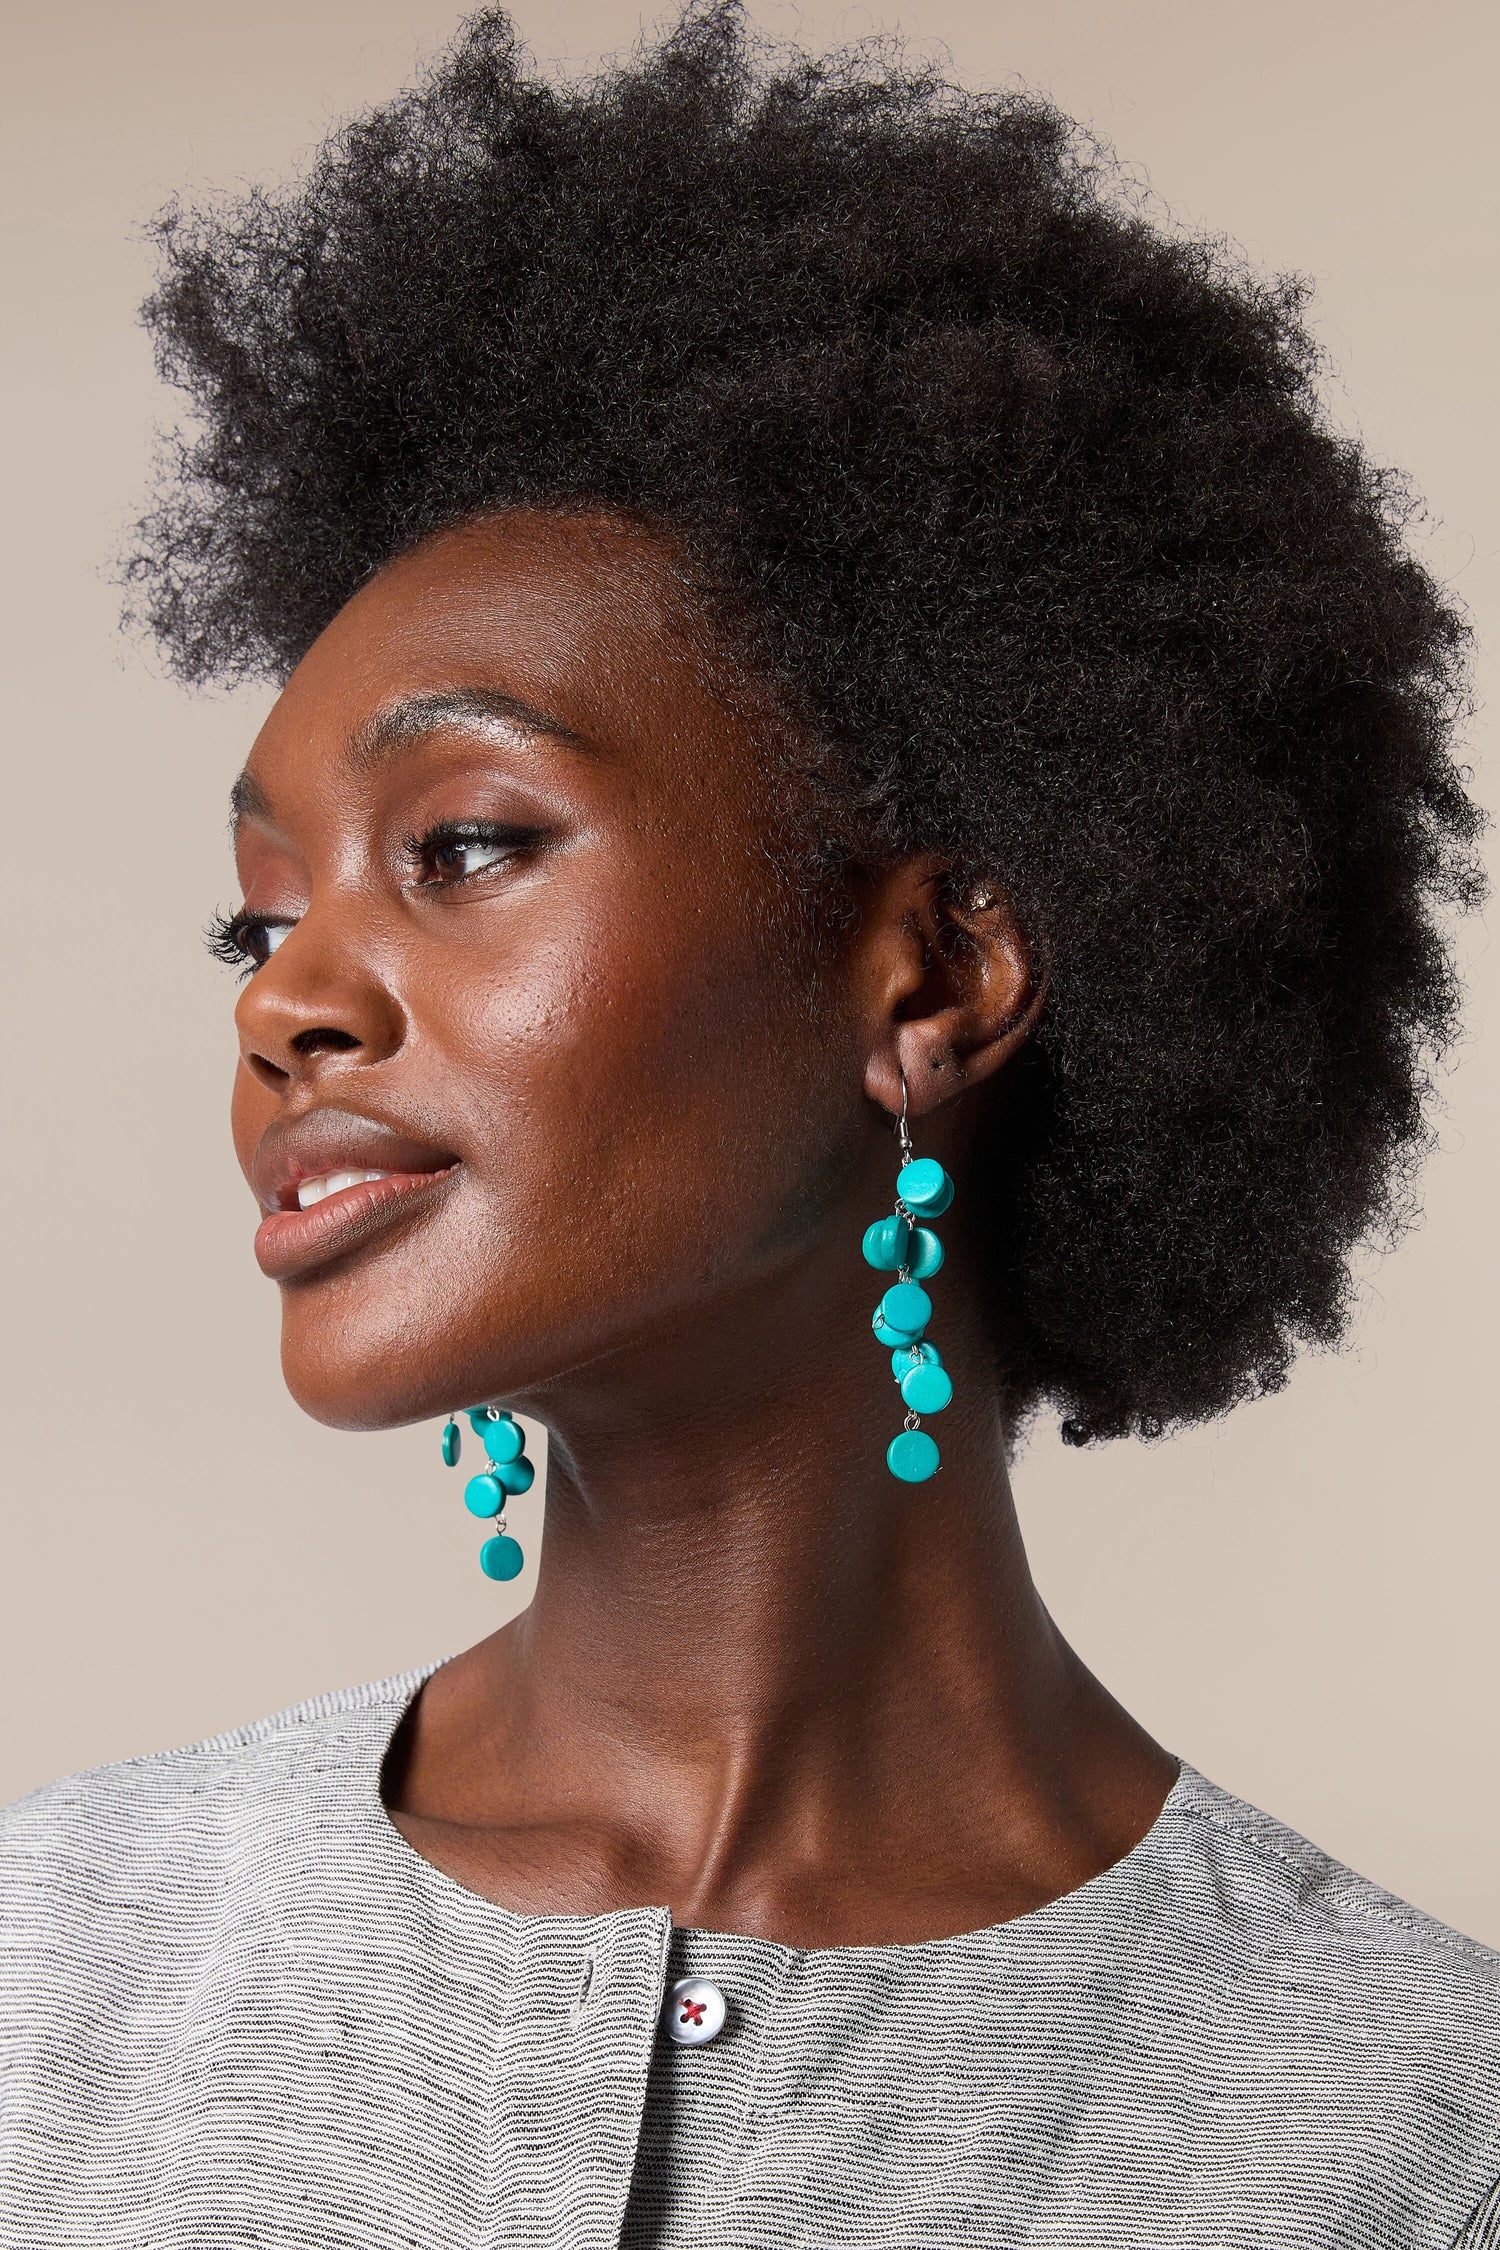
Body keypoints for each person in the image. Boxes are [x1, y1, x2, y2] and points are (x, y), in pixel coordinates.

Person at [2, 6, 1495, 2243]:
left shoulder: (1413, 2131)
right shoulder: (49, 1965)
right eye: (258, 922)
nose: (295, 1000)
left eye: (470, 842)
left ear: (930, 976)